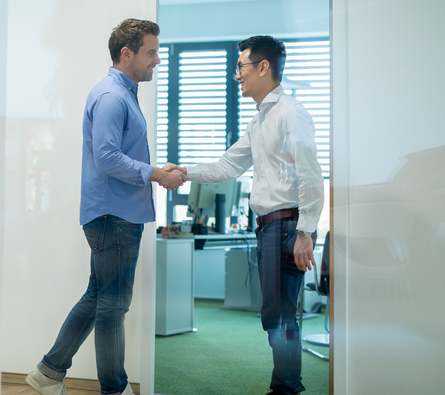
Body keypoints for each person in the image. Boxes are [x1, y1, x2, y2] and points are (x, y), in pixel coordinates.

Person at [26, 19, 186, 395]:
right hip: (115, 216)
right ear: (126, 54)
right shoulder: (114, 96)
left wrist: (155, 173)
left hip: (113, 214)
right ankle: (114, 389)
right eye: (151, 53)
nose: (157, 61)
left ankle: (48, 373)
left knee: (98, 298)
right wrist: (156, 175)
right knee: (114, 307)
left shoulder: (121, 93)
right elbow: (107, 158)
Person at [177, 35, 324, 395]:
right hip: (270, 229)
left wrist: (306, 232)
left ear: (263, 67)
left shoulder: (291, 112)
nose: (236, 76)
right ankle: (285, 385)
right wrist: (182, 171)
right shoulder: (259, 121)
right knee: (276, 314)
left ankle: (288, 388)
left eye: (240, 67)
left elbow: (310, 174)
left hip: (287, 226)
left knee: (279, 315)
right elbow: (228, 165)